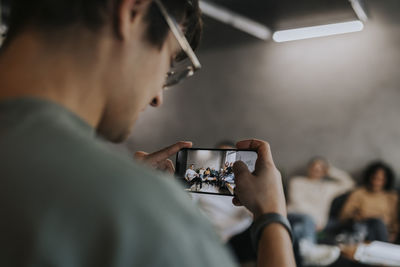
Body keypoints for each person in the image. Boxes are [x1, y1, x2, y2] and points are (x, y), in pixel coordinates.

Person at [0, 1, 295, 267]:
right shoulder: (139, 211)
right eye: (169, 64)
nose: (158, 97)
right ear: (132, 12)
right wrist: (271, 217)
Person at [287, 157, 355, 266]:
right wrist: (315, 220)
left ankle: (303, 258)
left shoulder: (328, 187)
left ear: (324, 171)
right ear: (308, 168)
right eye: (314, 168)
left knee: (297, 230)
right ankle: (309, 250)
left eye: (320, 169)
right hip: (293, 215)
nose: (316, 171)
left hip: (310, 223)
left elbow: (349, 184)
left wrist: (331, 171)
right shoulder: (297, 181)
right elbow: (296, 204)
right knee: (305, 220)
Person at [340, 161, 399, 242]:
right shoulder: (359, 193)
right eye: (375, 178)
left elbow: (394, 220)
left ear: (386, 180)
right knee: (375, 222)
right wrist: (359, 216)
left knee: (378, 223)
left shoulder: (391, 196)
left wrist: (394, 233)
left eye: (381, 179)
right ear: (369, 177)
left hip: (385, 230)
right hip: (363, 227)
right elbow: (344, 215)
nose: (377, 182)